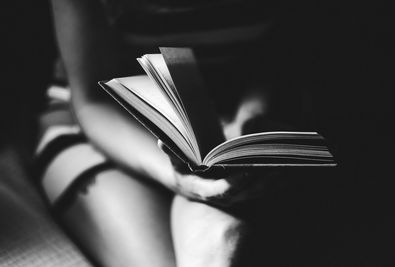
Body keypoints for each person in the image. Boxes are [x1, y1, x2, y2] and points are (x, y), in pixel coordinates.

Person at [36, 0, 294, 266]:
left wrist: (251, 116)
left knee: (220, 243)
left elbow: (276, 52)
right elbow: (92, 99)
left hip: (223, 117)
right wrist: (183, 178)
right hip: (104, 122)